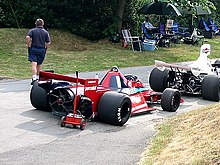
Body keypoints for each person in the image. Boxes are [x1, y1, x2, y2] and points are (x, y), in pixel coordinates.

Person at [26, 18, 51, 84]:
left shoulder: (33, 31)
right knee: (39, 65)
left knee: (34, 64)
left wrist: (28, 45)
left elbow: (28, 37)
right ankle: (38, 78)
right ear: (43, 24)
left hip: (34, 48)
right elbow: (48, 42)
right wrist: (46, 49)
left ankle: (34, 78)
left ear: (36, 24)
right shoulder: (45, 32)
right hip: (42, 49)